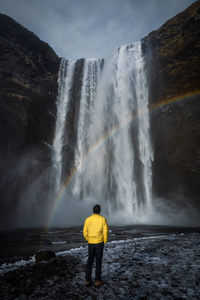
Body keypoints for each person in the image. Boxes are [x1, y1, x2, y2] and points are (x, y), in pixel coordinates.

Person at [83, 204, 109, 287]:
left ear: (93, 211)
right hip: (99, 242)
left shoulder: (88, 219)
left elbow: (85, 231)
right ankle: (97, 281)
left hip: (91, 242)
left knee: (90, 261)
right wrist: (104, 240)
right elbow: (105, 231)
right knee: (98, 262)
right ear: (100, 211)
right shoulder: (103, 219)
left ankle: (87, 280)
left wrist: (88, 239)